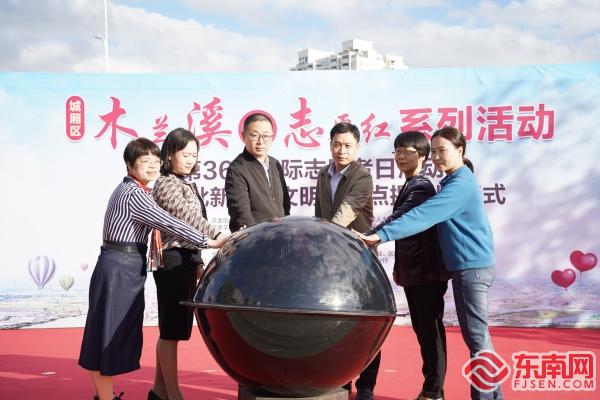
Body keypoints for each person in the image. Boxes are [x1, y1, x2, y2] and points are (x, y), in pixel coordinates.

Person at [357, 127, 502, 400]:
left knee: (477, 339)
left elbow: (423, 215)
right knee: (477, 339)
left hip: (471, 269)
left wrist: (380, 235)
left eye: (441, 151)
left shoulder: (459, 184)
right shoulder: (451, 181)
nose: (436, 157)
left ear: (460, 150)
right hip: (465, 267)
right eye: (433, 151)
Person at [78, 138, 229, 400]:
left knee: (105, 331)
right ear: (129, 165)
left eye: (154, 161)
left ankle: (104, 396)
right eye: (144, 161)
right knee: (109, 333)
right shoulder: (134, 194)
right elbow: (168, 221)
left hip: (122, 264)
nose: (151, 166)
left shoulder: (136, 190)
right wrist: (209, 241)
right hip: (120, 267)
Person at [364, 131, 451, 400]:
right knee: (424, 331)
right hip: (416, 273)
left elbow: (404, 216)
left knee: (430, 332)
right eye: (397, 151)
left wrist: (373, 234)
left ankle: (434, 391)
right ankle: (432, 388)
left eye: (407, 152)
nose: (401, 156)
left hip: (426, 274)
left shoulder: (421, 186)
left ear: (422, 156)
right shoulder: (411, 183)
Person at [150, 128, 229, 400]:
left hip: (186, 259)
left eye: (194, 155)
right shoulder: (165, 184)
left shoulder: (187, 184)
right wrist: (217, 236)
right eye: (185, 154)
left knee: (173, 330)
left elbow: (193, 225)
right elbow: (188, 218)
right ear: (169, 154)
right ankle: (174, 394)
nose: (190, 160)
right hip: (172, 260)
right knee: (170, 330)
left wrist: (197, 259)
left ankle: (159, 390)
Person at [314, 121, 376, 400]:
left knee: (365, 323)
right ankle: (339, 380)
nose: (342, 150)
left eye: (348, 145)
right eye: (337, 144)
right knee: (334, 322)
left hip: (358, 256)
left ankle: (366, 386)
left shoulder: (362, 177)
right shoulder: (323, 175)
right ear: (330, 145)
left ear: (357, 147)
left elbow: (345, 213)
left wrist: (327, 236)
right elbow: (320, 214)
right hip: (330, 259)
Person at [225, 113, 290, 232]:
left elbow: (285, 205)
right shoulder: (237, 168)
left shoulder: (275, 164)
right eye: (255, 135)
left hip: (279, 234)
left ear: (272, 138)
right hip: (255, 237)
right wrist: (256, 235)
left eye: (266, 136)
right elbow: (241, 213)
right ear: (243, 136)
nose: (261, 141)